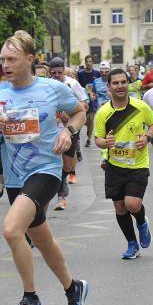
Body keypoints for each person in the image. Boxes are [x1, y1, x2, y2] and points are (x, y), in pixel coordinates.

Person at [0, 30, 88, 305]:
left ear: (29, 59)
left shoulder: (52, 89)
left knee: (13, 230)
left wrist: (68, 131)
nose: (5, 65)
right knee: (43, 239)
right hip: (15, 178)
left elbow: (79, 112)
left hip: (46, 171)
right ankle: (72, 287)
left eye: (11, 59)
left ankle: (31, 297)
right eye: (2, 60)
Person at [95, 68, 153, 259]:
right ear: (109, 87)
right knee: (120, 208)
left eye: (123, 82)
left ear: (128, 84)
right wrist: (105, 143)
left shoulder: (140, 107)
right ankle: (132, 244)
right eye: (115, 83)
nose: (120, 86)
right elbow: (98, 139)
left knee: (132, 204)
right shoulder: (103, 113)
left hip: (138, 164)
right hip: (115, 166)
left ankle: (141, 222)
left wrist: (147, 137)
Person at [49, 57, 89, 210]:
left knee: (67, 164)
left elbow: (84, 103)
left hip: (70, 127)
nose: (57, 75)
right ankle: (60, 194)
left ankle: (63, 179)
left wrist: (70, 115)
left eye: (59, 72)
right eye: (53, 73)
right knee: (54, 160)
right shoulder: (46, 85)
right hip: (52, 130)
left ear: (64, 69)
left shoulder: (72, 84)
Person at [77, 55, 101, 146]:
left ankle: (89, 138)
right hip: (83, 98)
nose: (88, 63)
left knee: (91, 118)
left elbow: (98, 86)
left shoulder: (97, 74)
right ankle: (87, 127)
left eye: (90, 61)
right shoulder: (81, 74)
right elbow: (78, 86)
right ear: (85, 62)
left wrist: (95, 95)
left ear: (93, 63)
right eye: (87, 61)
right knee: (85, 120)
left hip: (93, 99)